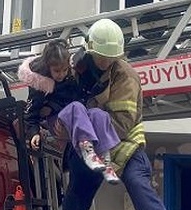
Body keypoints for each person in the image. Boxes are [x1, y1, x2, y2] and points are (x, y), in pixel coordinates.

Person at [62, 18, 182, 210]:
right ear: (89, 50)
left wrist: (92, 130)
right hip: (91, 147)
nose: (105, 62)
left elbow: (122, 122)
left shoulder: (126, 76)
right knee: (74, 201)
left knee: (140, 188)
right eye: (100, 57)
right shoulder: (77, 69)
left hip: (124, 145)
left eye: (110, 58)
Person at [18, 38, 120, 184]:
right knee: (76, 107)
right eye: (57, 71)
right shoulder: (40, 84)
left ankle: (106, 160)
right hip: (57, 121)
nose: (61, 74)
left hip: (78, 118)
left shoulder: (72, 76)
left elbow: (84, 92)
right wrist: (34, 132)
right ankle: (87, 151)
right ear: (48, 67)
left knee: (99, 114)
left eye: (65, 70)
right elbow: (31, 112)